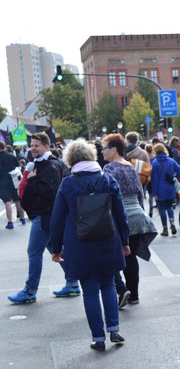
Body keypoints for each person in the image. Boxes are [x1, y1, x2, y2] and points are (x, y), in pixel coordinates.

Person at [50, 139, 130, 351]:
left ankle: (98, 338)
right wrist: (125, 241)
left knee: (90, 290)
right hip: (108, 240)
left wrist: (56, 248)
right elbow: (120, 214)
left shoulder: (68, 184)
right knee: (109, 284)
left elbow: (57, 219)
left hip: (80, 245)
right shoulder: (107, 180)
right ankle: (114, 329)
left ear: (70, 160)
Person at [8, 133, 80, 304]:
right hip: (44, 215)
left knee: (34, 252)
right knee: (56, 250)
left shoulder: (50, 166)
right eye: (32, 145)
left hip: (44, 215)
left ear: (46, 147)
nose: (33, 148)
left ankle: (30, 291)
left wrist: (33, 180)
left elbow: (51, 193)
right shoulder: (43, 164)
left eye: (37, 145)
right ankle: (72, 283)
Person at [102, 134, 157, 306]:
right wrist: (141, 211)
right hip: (137, 215)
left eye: (104, 148)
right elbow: (140, 193)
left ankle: (122, 289)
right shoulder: (131, 167)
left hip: (120, 216)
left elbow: (108, 197)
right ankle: (134, 295)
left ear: (113, 149)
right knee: (130, 257)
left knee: (111, 256)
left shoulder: (109, 169)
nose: (102, 152)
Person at [150, 143, 180, 237]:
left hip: (160, 189)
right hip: (170, 187)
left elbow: (155, 179)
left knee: (162, 209)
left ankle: (165, 229)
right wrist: (174, 177)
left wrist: (154, 193)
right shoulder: (171, 160)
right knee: (169, 206)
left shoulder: (155, 163)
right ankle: (172, 222)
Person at [0, 141, 26, 229]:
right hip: (13, 180)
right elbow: (18, 167)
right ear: (4, 147)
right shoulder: (11, 156)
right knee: (17, 200)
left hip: (2, 183)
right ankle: (22, 218)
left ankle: (10, 222)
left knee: (7, 202)